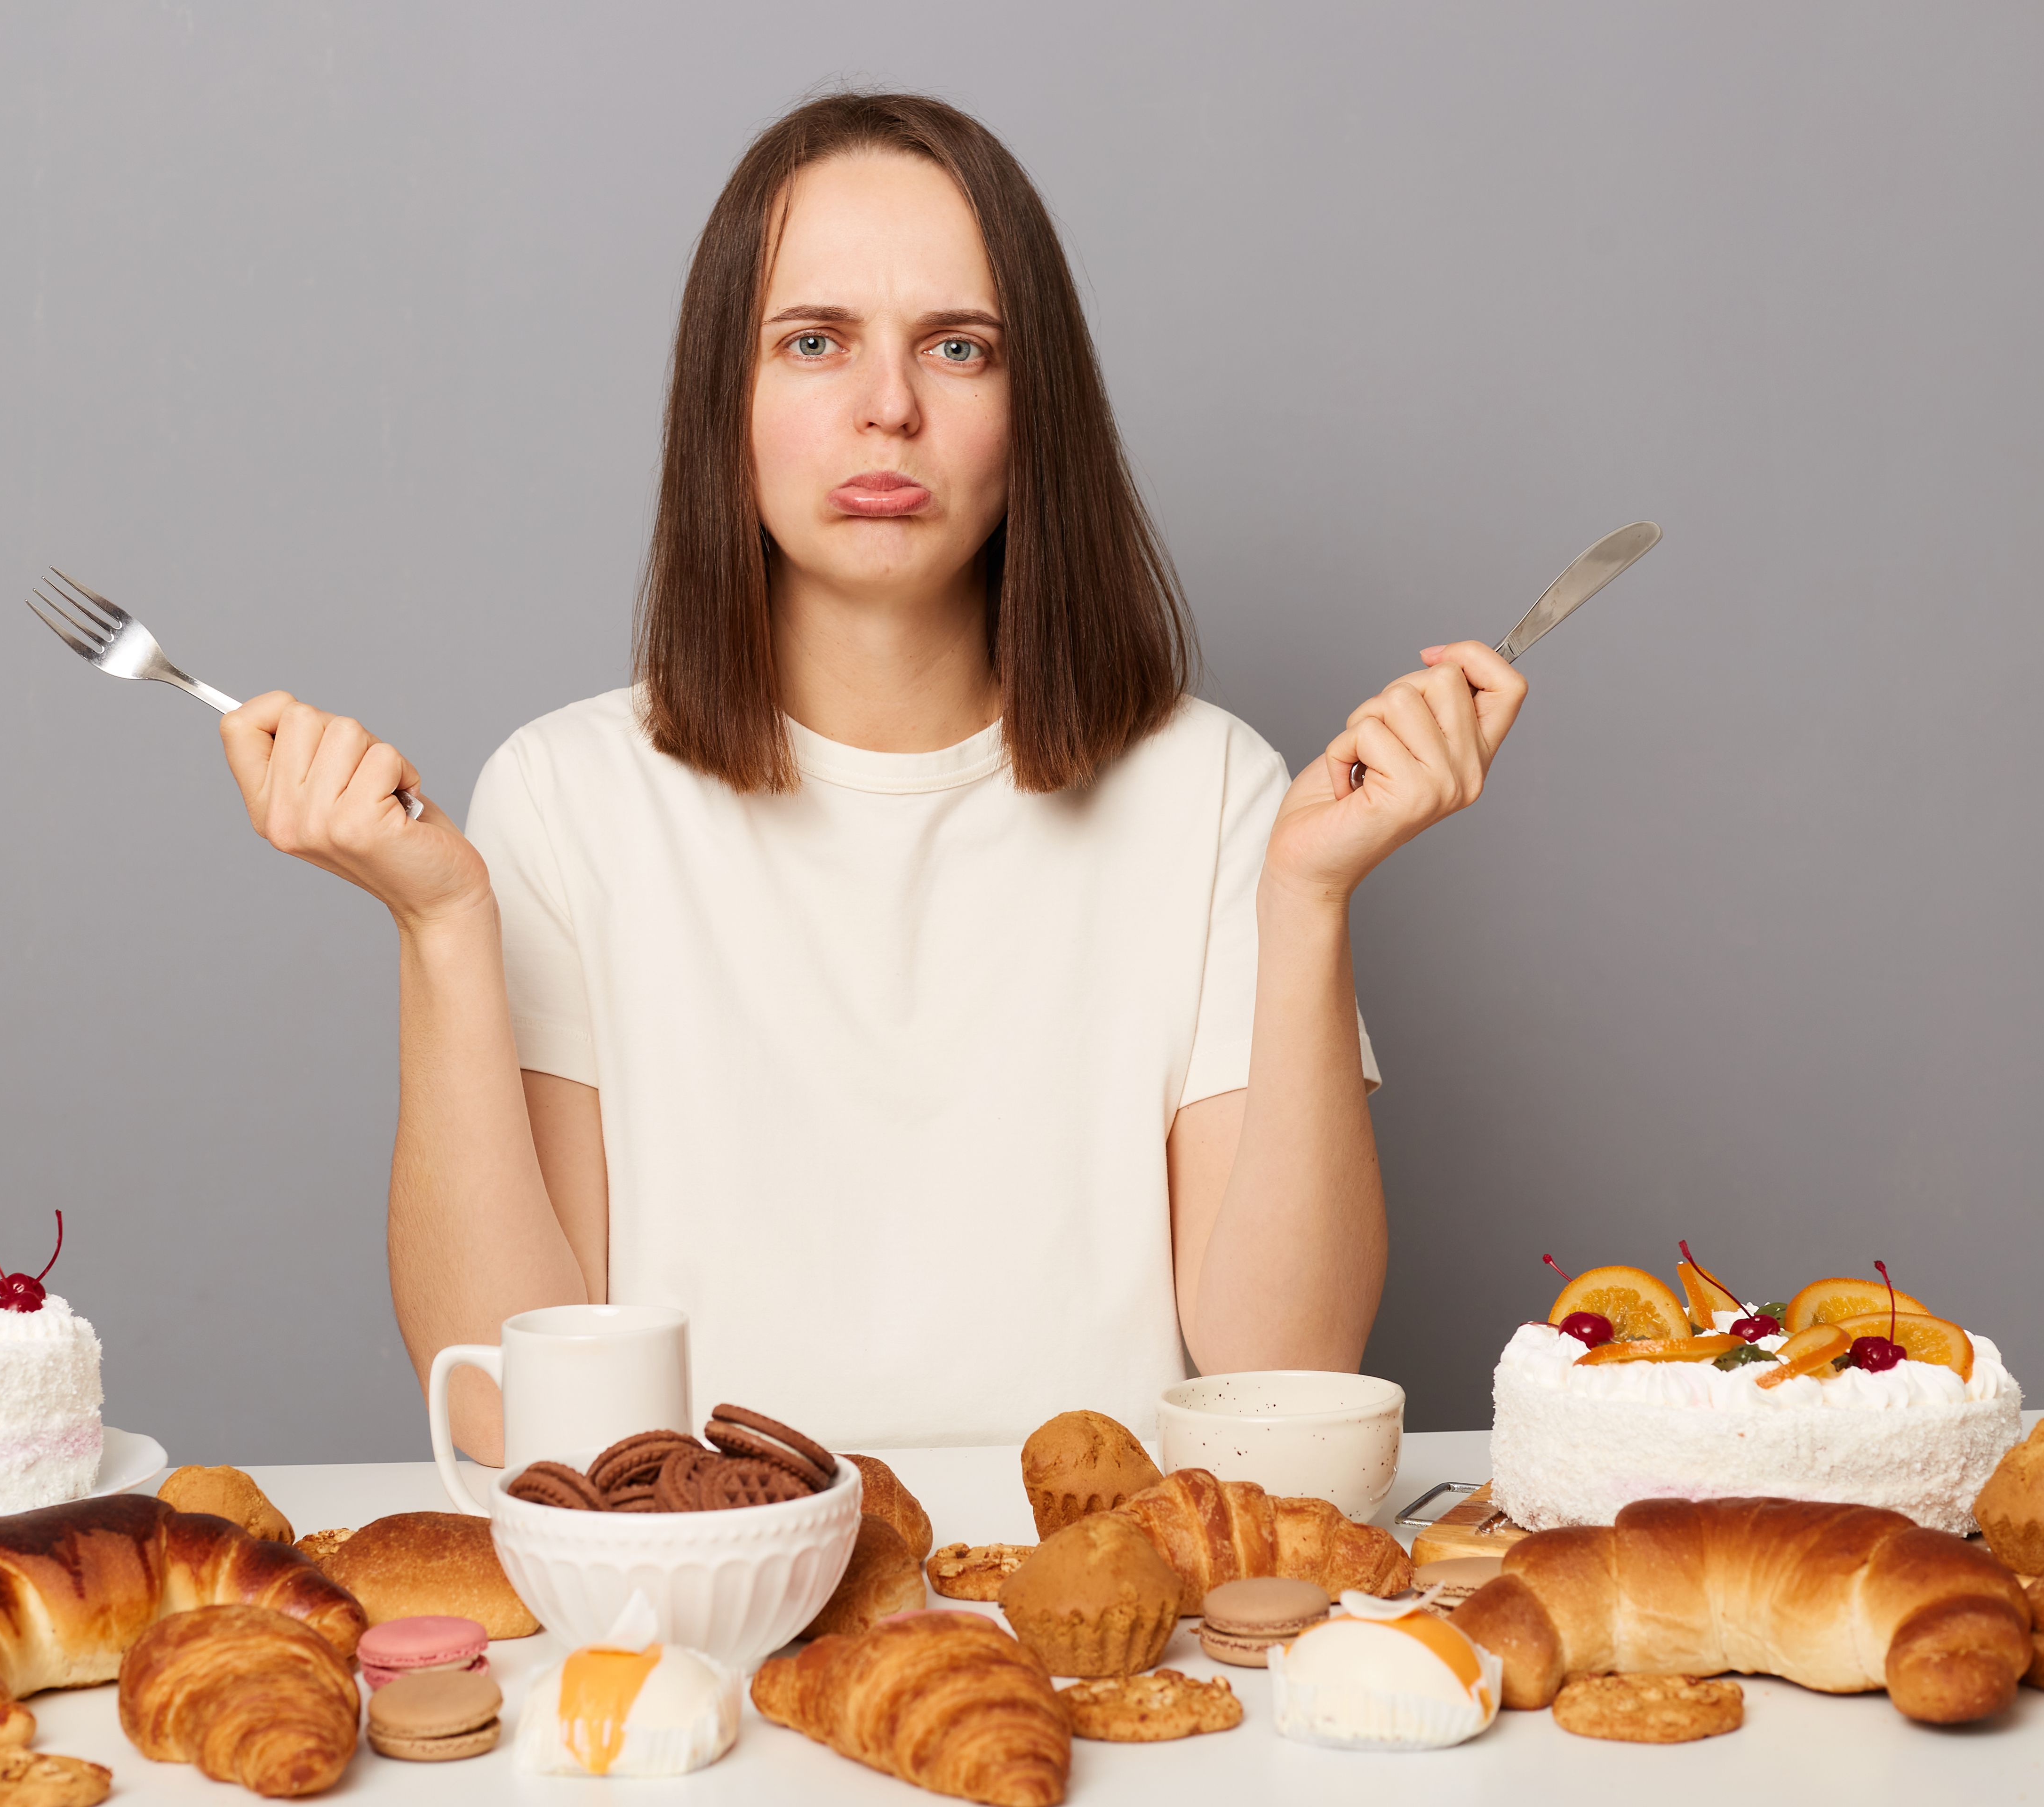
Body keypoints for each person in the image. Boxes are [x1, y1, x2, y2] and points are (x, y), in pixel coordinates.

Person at [220, 93, 1525, 1459]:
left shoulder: (1213, 794)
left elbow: (1285, 1368)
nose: (887, 408)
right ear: (726, 399)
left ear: (1037, 415)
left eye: (959, 349)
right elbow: (506, 1410)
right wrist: (440, 927)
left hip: (1095, 1615)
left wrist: (1309, 899)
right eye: (814, 343)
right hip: (703, 1599)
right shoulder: (565, 797)